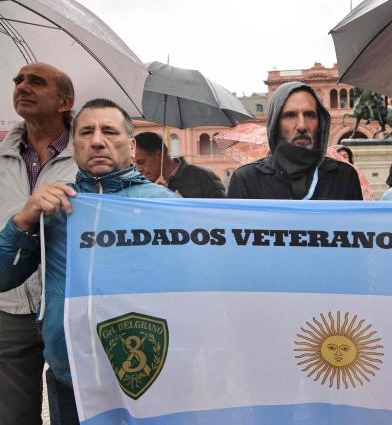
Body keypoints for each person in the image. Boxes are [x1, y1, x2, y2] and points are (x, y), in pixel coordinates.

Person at [0, 98, 177, 424]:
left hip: (146, 375)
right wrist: (22, 222)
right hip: (70, 378)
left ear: (131, 144)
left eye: (109, 131)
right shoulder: (53, 205)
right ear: (75, 145)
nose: (97, 140)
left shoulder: (165, 206)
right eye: (86, 132)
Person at [0, 62, 76, 425]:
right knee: (11, 415)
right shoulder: (1, 157)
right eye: (18, 81)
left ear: (65, 101)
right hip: (9, 307)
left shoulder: (90, 155)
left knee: (75, 408)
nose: (22, 87)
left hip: (68, 305)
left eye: (36, 81)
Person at [227, 82, 362, 200]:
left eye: (309, 115)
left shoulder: (345, 177)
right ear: (275, 124)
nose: (302, 126)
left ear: (320, 123)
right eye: (290, 115)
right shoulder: (247, 180)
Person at [134, 131, 226, 198]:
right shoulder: (144, 185)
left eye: (141, 162)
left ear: (158, 155)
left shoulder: (204, 177)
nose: (138, 169)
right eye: (135, 164)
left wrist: (182, 206)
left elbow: (222, 216)